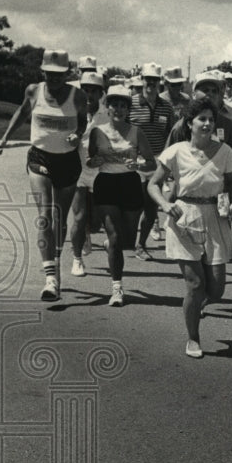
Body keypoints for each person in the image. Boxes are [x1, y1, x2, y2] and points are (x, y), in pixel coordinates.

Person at [147, 97, 232, 358]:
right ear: (190, 123)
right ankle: (193, 338)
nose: (207, 124)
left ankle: (197, 305)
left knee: (217, 290)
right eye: (202, 119)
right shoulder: (175, 151)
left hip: (216, 217)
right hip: (184, 216)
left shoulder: (225, 152)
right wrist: (165, 204)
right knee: (195, 283)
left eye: (211, 119)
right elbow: (153, 184)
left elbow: (231, 183)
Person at [0, 49, 88, 301]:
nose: (54, 78)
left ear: (68, 73)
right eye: (50, 73)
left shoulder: (77, 96)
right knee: (45, 216)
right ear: (43, 71)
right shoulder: (33, 91)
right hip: (40, 158)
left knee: (60, 218)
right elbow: (22, 113)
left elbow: (83, 121)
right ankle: (50, 279)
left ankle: (55, 258)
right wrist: (4, 139)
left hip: (68, 161)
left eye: (59, 74)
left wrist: (78, 134)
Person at [87, 85, 157, 306]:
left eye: (123, 105)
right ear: (107, 107)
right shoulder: (97, 132)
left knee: (126, 240)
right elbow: (90, 159)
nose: (118, 109)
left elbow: (151, 162)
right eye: (114, 104)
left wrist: (138, 163)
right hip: (106, 184)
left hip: (130, 184)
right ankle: (116, 288)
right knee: (116, 237)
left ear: (128, 109)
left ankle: (112, 245)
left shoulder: (136, 132)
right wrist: (94, 162)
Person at [128, 62, 174, 260]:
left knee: (151, 208)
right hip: (135, 161)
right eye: (148, 80)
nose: (151, 84)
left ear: (160, 82)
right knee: (133, 207)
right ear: (142, 80)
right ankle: (126, 240)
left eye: (155, 80)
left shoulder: (167, 107)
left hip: (158, 162)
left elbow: (170, 135)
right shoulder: (131, 103)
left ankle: (140, 245)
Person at [69, 71, 108, 277]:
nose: (89, 94)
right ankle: (77, 259)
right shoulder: (72, 110)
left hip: (100, 174)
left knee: (94, 225)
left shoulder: (108, 114)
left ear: (101, 93)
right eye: (85, 90)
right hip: (78, 171)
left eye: (94, 91)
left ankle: (87, 233)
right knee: (79, 216)